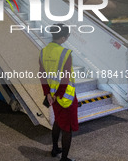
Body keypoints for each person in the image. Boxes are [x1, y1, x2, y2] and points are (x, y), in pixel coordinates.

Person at [39, 24, 78, 161]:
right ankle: (64, 158)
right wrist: (57, 95)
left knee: (58, 121)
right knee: (67, 128)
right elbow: (65, 79)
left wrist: (48, 94)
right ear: (63, 37)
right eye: (67, 36)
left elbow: (42, 74)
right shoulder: (65, 53)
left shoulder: (43, 51)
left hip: (52, 96)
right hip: (65, 96)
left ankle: (55, 148)